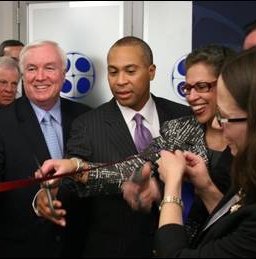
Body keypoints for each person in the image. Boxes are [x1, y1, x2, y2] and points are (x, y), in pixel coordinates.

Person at [36, 45, 235, 246]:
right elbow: (135, 166)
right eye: (187, 88)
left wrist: (199, 186)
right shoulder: (182, 127)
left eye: (201, 87)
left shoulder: (254, 137)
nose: (192, 97)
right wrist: (75, 167)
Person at [0, 40, 91, 257]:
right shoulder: (0, 122)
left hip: (78, 245)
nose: (40, 77)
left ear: (64, 72)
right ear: (23, 74)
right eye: (32, 69)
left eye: (49, 68)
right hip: (22, 246)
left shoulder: (86, 117)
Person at [155, 43, 256, 257]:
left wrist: (173, 186)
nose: (218, 126)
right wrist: (204, 186)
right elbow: (232, 222)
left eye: (224, 118)